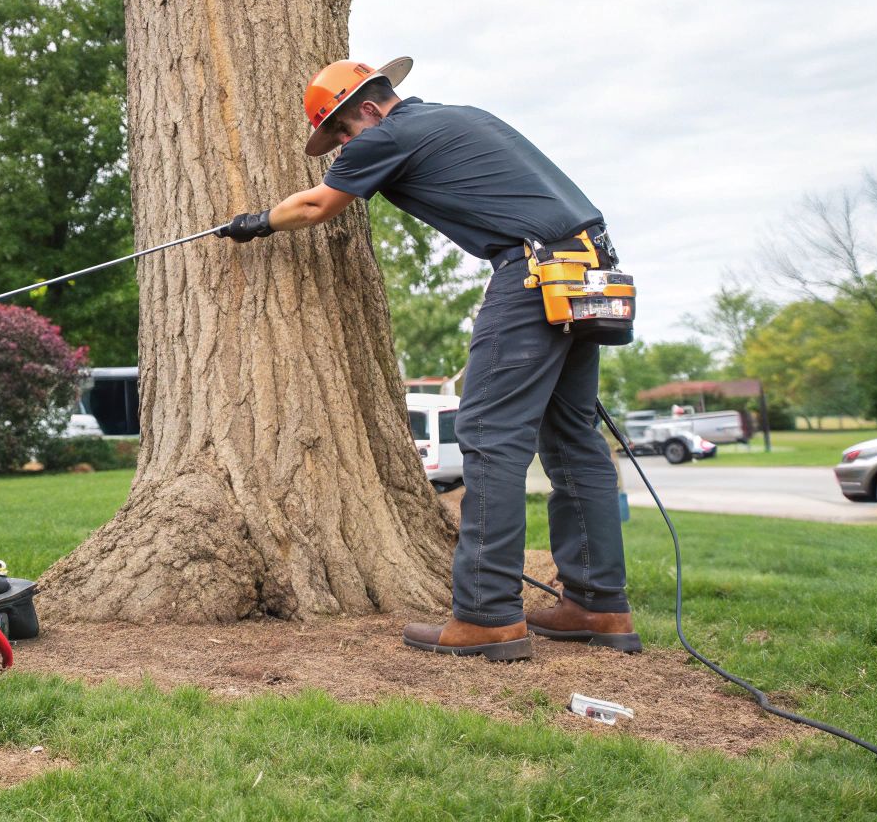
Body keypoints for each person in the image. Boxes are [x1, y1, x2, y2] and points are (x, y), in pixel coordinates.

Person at [218, 57, 641, 661]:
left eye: (340, 131)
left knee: (490, 435)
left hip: (534, 273)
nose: (340, 147)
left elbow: (316, 207)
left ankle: (488, 615)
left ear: (368, 107)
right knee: (572, 437)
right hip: (587, 269)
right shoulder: (456, 118)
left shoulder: (388, 135)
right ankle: (599, 605)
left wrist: (255, 224)